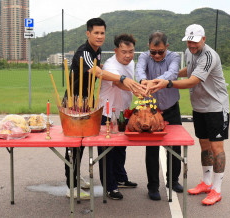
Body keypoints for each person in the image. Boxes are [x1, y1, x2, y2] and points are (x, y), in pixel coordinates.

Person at [63, 18, 144, 200]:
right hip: (74, 103)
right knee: (74, 146)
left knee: (82, 144)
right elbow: (97, 72)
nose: (100, 36)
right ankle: (71, 186)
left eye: (102, 33)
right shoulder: (83, 52)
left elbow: (99, 69)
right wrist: (122, 79)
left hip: (87, 102)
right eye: (96, 33)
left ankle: (75, 177)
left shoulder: (96, 51)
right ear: (88, 33)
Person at [150, 24, 230, 206]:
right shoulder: (189, 53)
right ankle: (206, 182)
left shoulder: (209, 56)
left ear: (203, 39)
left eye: (194, 42)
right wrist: (169, 75)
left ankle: (216, 190)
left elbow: (193, 80)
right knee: (204, 145)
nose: (191, 45)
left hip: (216, 107)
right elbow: (189, 71)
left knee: (217, 148)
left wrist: (167, 83)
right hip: (200, 107)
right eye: (189, 42)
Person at [135, 31, 183, 201]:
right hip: (150, 110)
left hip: (171, 108)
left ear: (167, 47)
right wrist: (143, 81)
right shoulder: (143, 56)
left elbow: (172, 74)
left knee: (175, 147)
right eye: (153, 52)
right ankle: (153, 186)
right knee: (152, 149)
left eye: (160, 52)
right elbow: (139, 72)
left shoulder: (174, 57)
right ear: (149, 48)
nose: (156, 55)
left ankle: (173, 180)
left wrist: (152, 81)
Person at [97, 34, 139, 200]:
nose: (128, 55)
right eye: (124, 52)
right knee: (108, 151)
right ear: (116, 51)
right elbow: (118, 83)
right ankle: (110, 186)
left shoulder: (132, 63)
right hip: (108, 114)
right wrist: (138, 89)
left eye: (131, 51)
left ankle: (120, 178)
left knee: (121, 148)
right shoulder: (110, 64)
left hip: (124, 112)